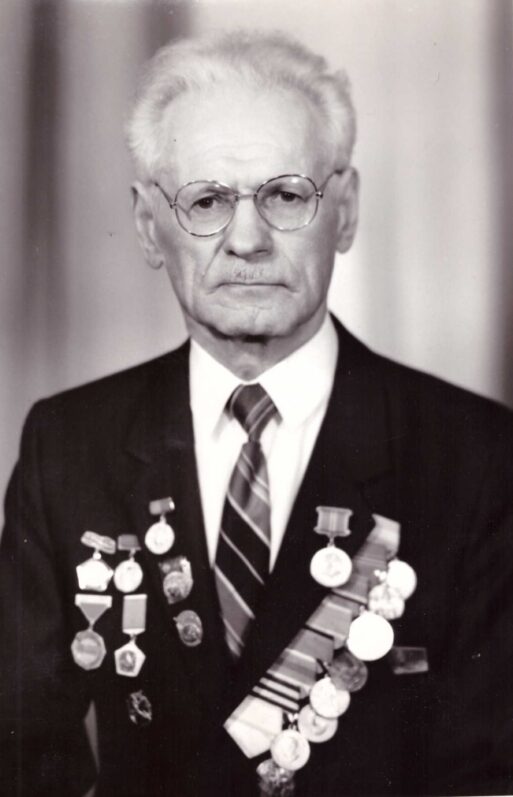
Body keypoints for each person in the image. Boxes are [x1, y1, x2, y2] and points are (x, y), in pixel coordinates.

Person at [1, 28, 513, 797]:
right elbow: (23, 754)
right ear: (147, 226)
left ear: (344, 211)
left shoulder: (475, 456)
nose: (246, 240)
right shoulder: (71, 444)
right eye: (206, 200)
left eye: (285, 195)